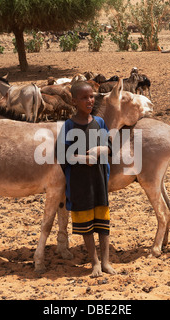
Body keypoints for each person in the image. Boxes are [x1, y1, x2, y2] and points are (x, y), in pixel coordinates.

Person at [56, 81, 116, 277]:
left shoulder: (99, 123)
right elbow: (61, 156)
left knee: (103, 222)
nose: (89, 100)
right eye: (84, 98)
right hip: (79, 184)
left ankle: (106, 261)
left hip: (99, 180)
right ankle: (95, 262)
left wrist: (100, 150)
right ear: (74, 101)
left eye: (91, 96)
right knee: (86, 225)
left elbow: (110, 148)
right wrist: (83, 159)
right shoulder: (69, 125)